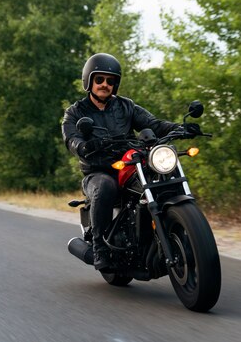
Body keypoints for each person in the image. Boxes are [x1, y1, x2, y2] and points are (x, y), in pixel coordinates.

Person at [61, 53, 201, 270]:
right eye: (100, 80)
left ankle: (183, 230)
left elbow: (153, 123)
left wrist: (180, 128)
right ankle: (100, 247)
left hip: (132, 164)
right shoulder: (75, 112)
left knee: (166, 173)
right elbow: (71, 138)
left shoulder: (126, 106)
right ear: (89, 80)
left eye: (110, 81)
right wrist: (83, 146)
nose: (105, 85)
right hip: (99, 172)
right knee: (105, 186)